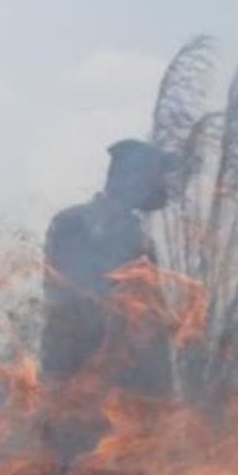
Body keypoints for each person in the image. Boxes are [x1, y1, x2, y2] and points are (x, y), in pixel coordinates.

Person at [41, 139, 176, 457]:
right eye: (155, 174)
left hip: (131, 391)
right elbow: (69, 300)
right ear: (130, 177)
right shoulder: (72, 225)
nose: (161, 184)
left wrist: (161, 391)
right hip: (78, 381)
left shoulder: (140, 240)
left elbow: (151, 322)